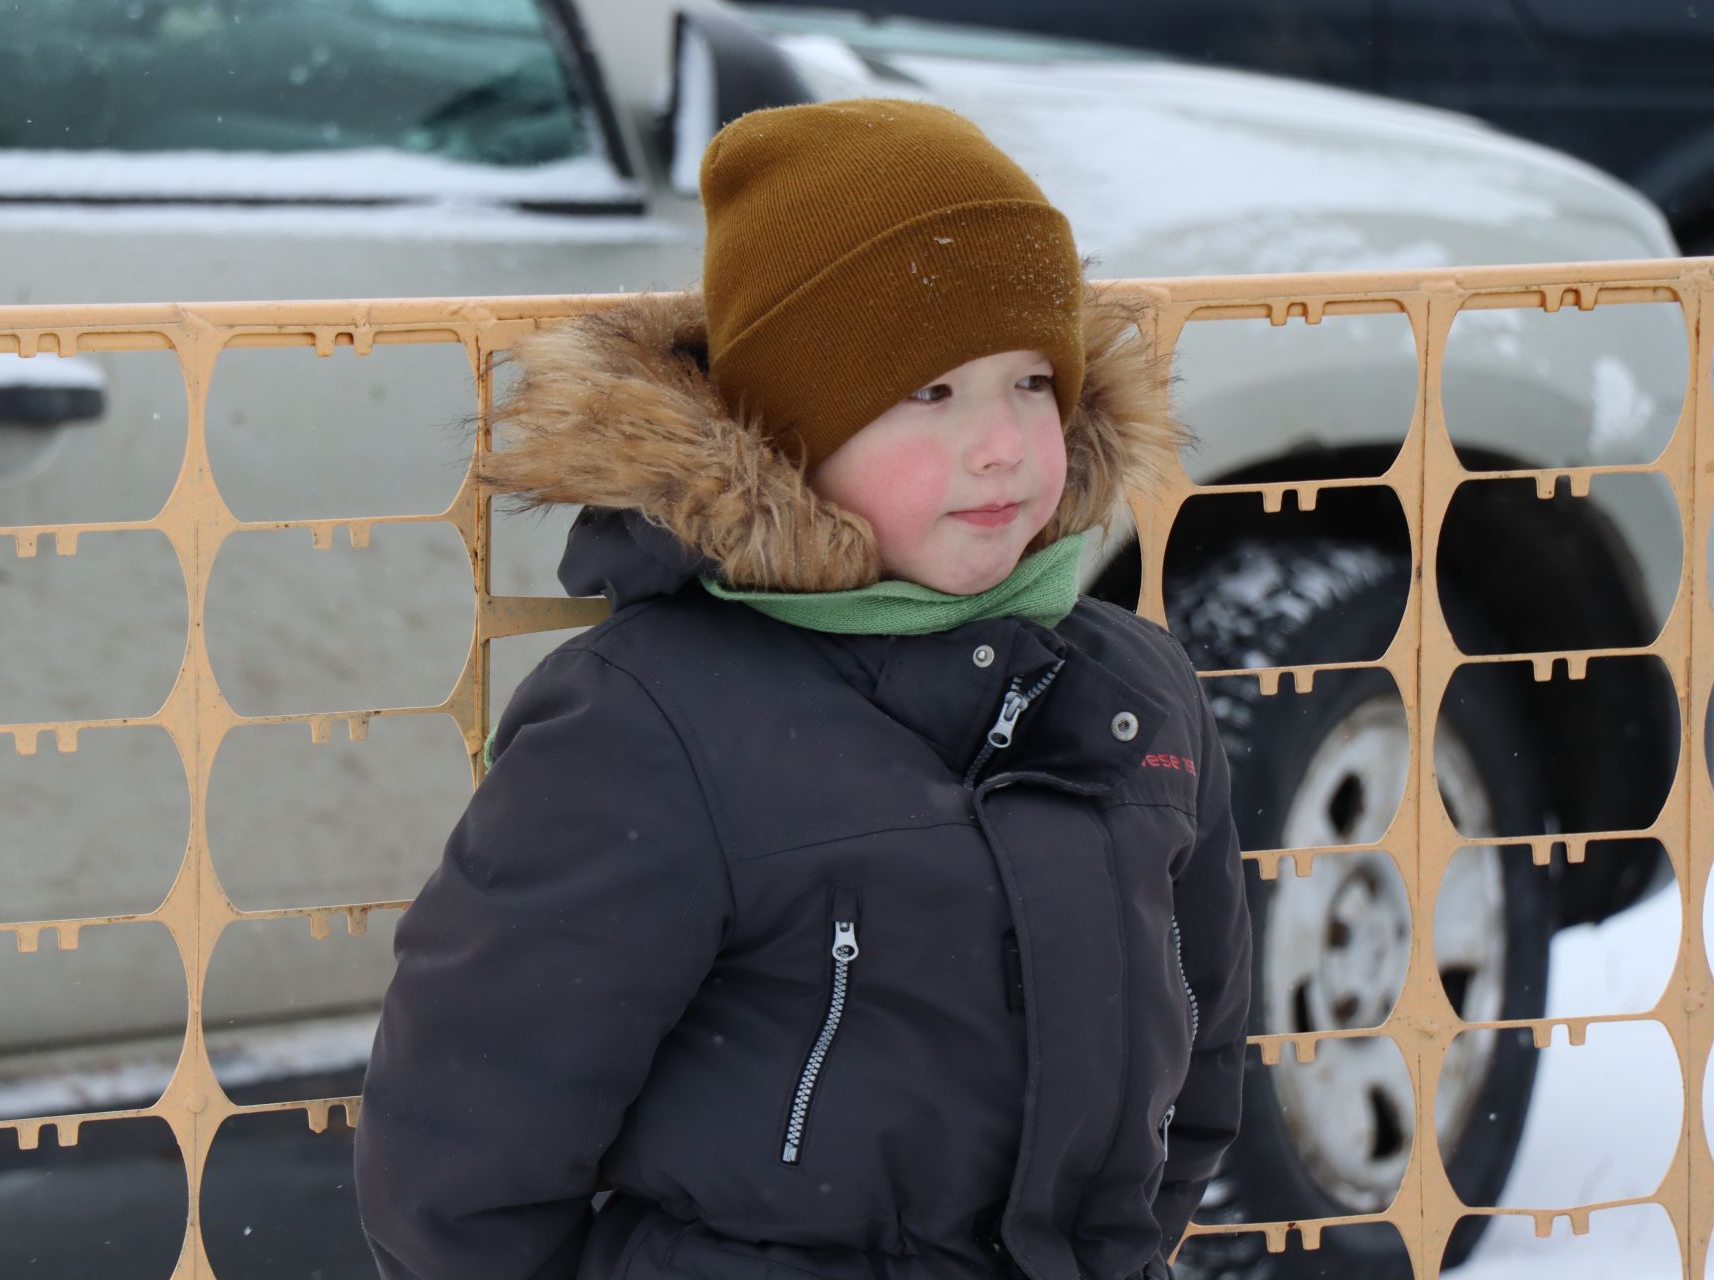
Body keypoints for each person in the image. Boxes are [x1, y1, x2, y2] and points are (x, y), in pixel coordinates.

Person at [353, 98, 1252, 1280]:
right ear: (789, 433)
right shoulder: (649, 722)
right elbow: (466, 1152)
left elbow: (1202, 1057)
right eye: (929, 391)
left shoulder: (1136, 692)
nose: (1001, 443)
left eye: (1032, 380)